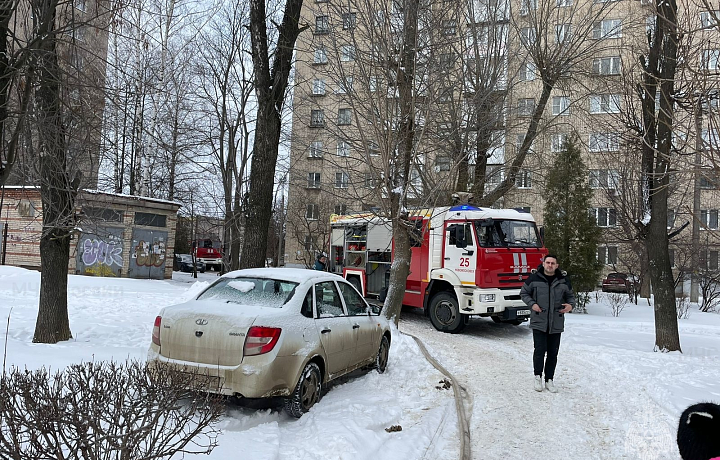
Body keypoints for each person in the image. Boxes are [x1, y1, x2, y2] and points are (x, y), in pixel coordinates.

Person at [520, 254, 575, 393]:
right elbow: (524, 293)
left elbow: (570, 297)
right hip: (539, 320)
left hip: (556, 322)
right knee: (539, 351)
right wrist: (532, 305)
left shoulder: (563, 280)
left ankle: (549, 379)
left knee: (553, 353)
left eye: (553, 263)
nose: (550, 265)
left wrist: (570, 306)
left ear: (557, 265)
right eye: (548, 262)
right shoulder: (534, 278)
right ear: (543, 264)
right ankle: (537, 377)